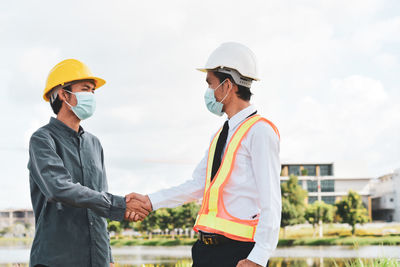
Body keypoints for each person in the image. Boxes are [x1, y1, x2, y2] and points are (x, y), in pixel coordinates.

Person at [126, 42, 281, 267]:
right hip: (206, 252)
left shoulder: (260, 132)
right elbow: (198, 184)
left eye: (210, 84)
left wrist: (258, 258)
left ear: (227, 85)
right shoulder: (220, 135)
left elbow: (272, 201)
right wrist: (151, 201)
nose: (208, 92)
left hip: (239, 254)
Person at [28, 59, 151, 267]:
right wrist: (119, 205)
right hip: (56, 259)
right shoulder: (42, 139)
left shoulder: (94, 143)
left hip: (97, 259)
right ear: (63, 94)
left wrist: (108, 257)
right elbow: (58, 188)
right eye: (86, 89)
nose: (91, 97)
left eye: (93, 91)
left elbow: (99, 202)